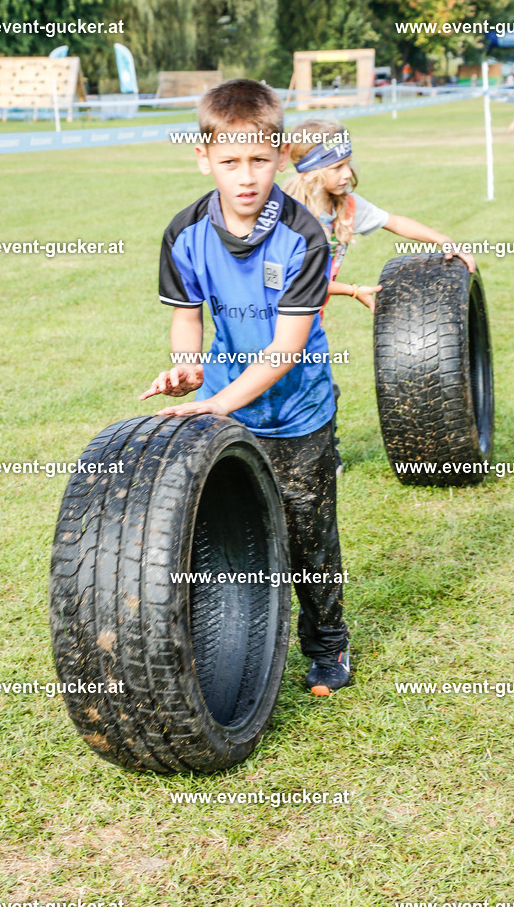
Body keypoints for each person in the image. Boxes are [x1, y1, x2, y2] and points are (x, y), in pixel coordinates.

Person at [140, 79, 351, 697]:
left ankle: (328, 645)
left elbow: (286, 349)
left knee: (308, 532)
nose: (246, 176)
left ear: (281, 155)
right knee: (221, 533)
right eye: (230, 161)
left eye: (259, 159)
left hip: (296, 412)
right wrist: (188, 369)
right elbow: (187, 316)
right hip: (225, 404)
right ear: (203, 158)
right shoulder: (184, 233)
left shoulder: (304, 236)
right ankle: (228, 644)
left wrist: (213, 403)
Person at [281, 119, 476, 475]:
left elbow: (395, 221)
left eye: (348, 163)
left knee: (318, 385)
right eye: (337, 166)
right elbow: (292, 282)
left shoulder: (346, 206)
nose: (347, 173)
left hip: (310, 319)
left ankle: (322, 455)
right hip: (275, 319)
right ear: (311, 171)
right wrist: (353, 290)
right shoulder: (288, 215)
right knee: (287, 385)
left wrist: (445, 241)